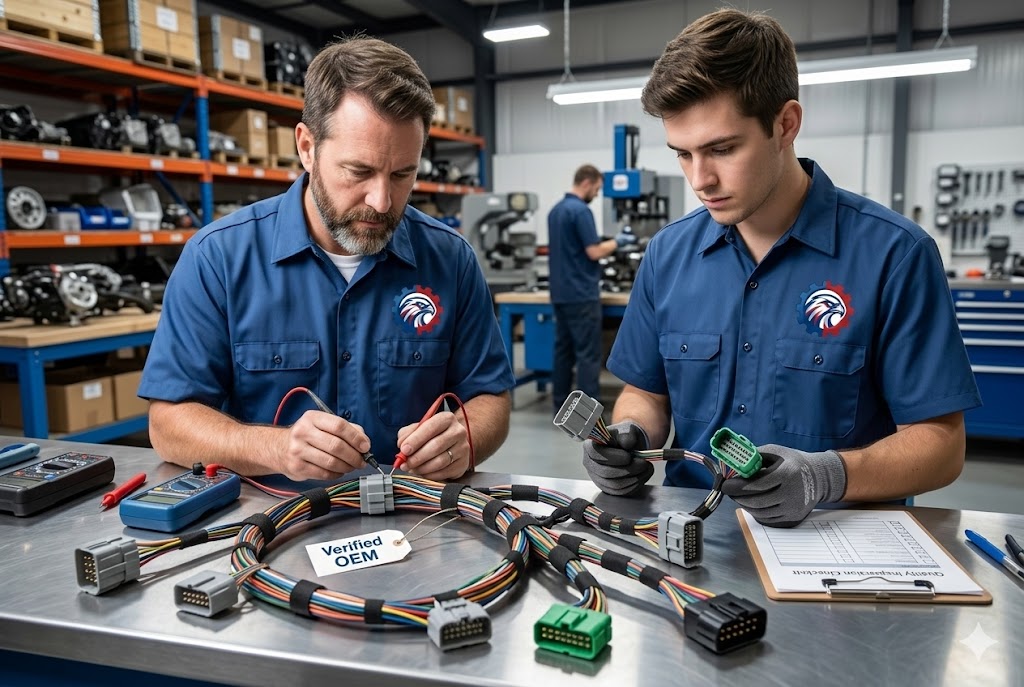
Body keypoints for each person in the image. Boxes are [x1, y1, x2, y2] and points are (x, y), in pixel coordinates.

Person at [582, 9, 981, 527]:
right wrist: (630, 438)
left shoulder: (894, 255)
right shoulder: (668, 254)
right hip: (694, 534)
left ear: (786, 124)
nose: (700, 179)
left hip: (841, 546)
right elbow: (645, 393)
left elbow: (941, 445)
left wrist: (825, 476)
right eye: (682, 154)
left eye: (722, 148)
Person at [140, 37, 514, 482]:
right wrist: (274, 448)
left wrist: (465, 438)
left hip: (416, 523)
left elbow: (491, 398)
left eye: (402, 175)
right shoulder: (217, 259)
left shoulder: (450, 260)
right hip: (270, 525)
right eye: (359, 172)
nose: (380, 201)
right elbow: (168, 424)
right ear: (307, 147)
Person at [548, 164, 633, 414]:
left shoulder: (555, 211)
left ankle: (560, 408)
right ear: (587, 182)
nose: (596, 194)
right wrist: (618, 242)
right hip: (582, 295)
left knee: (563, 352)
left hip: (560, 294)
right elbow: (593, 251)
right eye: (596, 189)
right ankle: (587, 415)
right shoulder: (580, 211)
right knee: (588, 355)